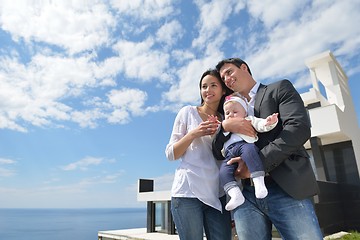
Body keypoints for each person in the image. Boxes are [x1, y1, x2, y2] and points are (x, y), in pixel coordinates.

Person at [212, 58, 323, 240]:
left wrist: (256, 164)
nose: (227, 79)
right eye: (223, 78)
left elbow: (298, 128)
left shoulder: (278, 89)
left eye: (229, 72)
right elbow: (217, 151)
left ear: (244, 68)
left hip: (286, 189)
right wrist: (225, 126)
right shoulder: (229, 109)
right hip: (246, 195)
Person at [165, 69, 233, 240]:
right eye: (204, 86)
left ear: (223, 90)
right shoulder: (188, 112)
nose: (207, 90)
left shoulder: (227, 119)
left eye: (213, 85)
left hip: (217, 194)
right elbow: (171, 154)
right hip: (187, 193)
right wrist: (194, 133)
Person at [219, 93, 278, 211]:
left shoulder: (248, 119)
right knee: (223, 171)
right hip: (230, 152)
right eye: (227, 113)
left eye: (235, 112)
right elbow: (218, 136)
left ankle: (259, 182)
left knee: (250, 153)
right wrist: (223, 126)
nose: (231, 115)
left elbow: (260, 125)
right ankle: (235, 194)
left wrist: (269, 122)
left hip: (245, 145)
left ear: (245, 112)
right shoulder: (226, 126)